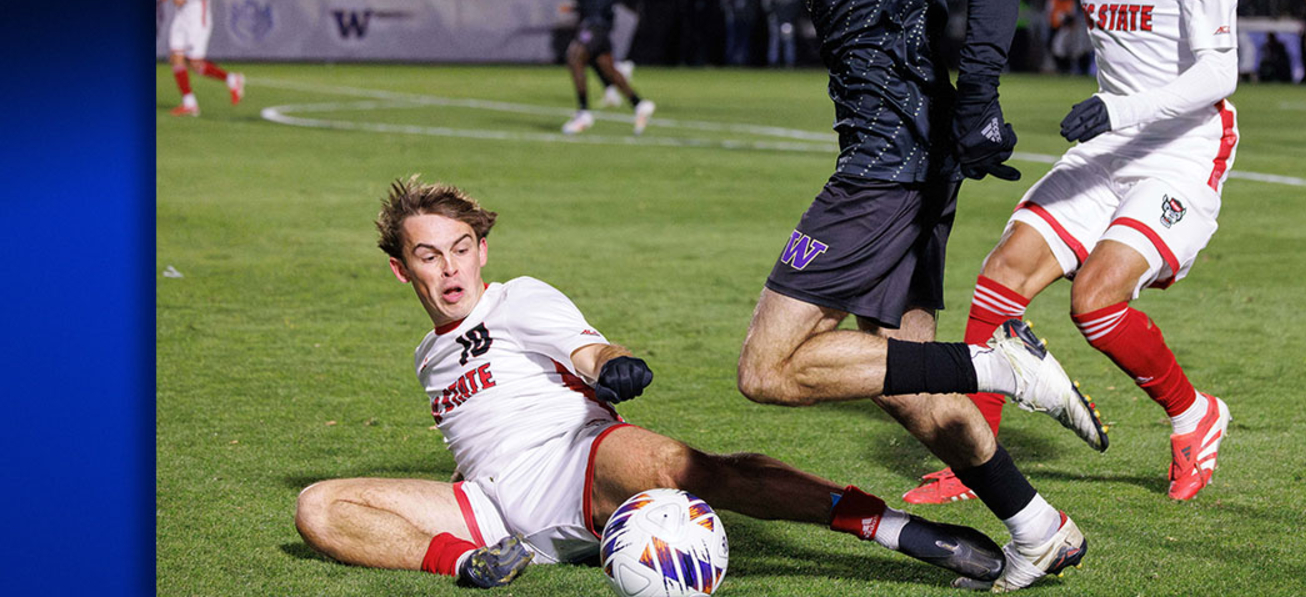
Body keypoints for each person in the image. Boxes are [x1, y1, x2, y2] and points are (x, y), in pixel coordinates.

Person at [591, 0, 1101, 590]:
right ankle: (1038, 528)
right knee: (902, 379)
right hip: (901, 156)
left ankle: (1003, 366)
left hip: (888, 160)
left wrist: (980, 93)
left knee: (768, 368)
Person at [293, 177, 1011, 588]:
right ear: (402, 270)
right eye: (429, 256)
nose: (450, 268)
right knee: (320, 507)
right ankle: (474, 567)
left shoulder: (517, 300)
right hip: (490, 510)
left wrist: (612, 366)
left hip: (577, 466)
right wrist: (467, 502)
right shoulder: (429, 355)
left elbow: (585, 348)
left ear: (482, 250)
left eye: (460, 249)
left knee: (681, 467)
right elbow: (481, 432)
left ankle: (893, 528)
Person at [905, 0, 1240, 506]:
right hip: (1113, 143)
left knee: (1095, 301)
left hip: (1182, 150)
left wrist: (1121, 109)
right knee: (999, 279)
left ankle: (1193, 415)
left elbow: (1220, 73)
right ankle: (974, 463)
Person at [557, 0, 655, 135]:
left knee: (574, 57)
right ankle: (639, 104)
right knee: (606, 67)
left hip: (599, 20)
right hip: (587, 17)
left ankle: (583, 113)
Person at [160, 0, 243, 116]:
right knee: (176, 57)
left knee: (196, 63)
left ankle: (232, 79)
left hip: (198, 16)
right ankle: (189, 103)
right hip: (181, 15)